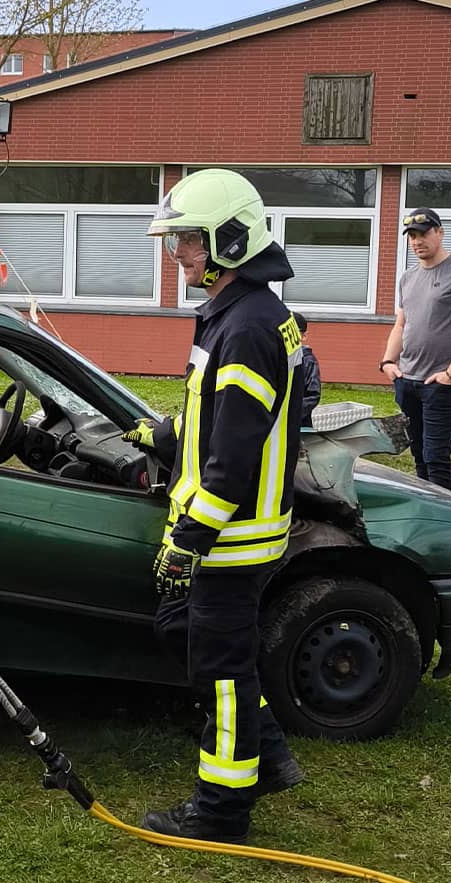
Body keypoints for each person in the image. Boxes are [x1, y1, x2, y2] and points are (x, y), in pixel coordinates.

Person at [126, 168, 305, 844]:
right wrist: (162, 436)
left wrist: (190, 538)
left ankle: (223, 810)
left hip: (234, 536)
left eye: (189, 243)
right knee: (185, 633)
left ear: (231, 240)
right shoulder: (237, 315)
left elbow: (234, 457)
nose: (178, 256)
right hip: (229, 532)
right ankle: (268, 750)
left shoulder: (250, 327)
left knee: (221, 672)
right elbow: (220, 418)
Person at [380, 207, 451, 491]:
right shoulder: (408, 278)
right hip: (407, 381)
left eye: (424, 233)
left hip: (442, 385)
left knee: (436, 457)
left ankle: (448, 525)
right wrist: (388, 362)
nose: (417, 241)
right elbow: (401, 325)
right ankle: (426, 516)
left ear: (439, 233)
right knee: (418, 455)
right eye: (412, 236)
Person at [293, 313, 321, 427]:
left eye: (294, 332)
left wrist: (292, 413)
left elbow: (313, 395)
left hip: (300, 424)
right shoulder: (276, 358)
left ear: (304, 336)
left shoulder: (308, 361)